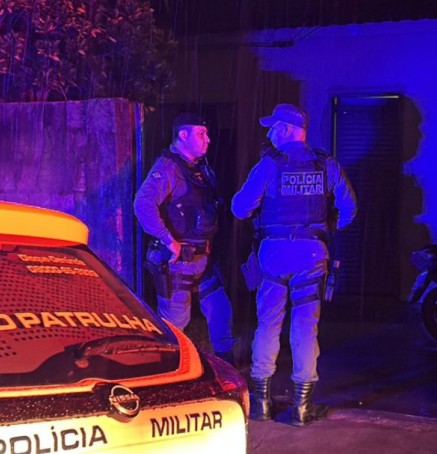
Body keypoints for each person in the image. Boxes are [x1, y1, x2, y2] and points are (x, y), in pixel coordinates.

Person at [232, 103, 357, 426]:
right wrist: (323, 229)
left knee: (268, 324)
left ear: (287, 129)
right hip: (311, 254)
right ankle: (302, 408)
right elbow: (349, 210)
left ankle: (261, 403)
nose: (270, 133)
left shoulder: (268, 164)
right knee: (304, 328)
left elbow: (240, 208)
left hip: (273, 253)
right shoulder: (327, 164)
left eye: (273, 128)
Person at [133, 112, 234, 364]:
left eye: (206, 133)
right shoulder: (168, 168)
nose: (208, 139)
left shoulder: (197, 168)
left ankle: (227, 369)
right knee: (175, 326)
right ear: (183, 135)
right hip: (178, 262)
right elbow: (143, 204)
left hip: (203, 260)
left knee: (220, 311)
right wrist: (168, 240)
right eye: (201, 134)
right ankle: (169, 371)